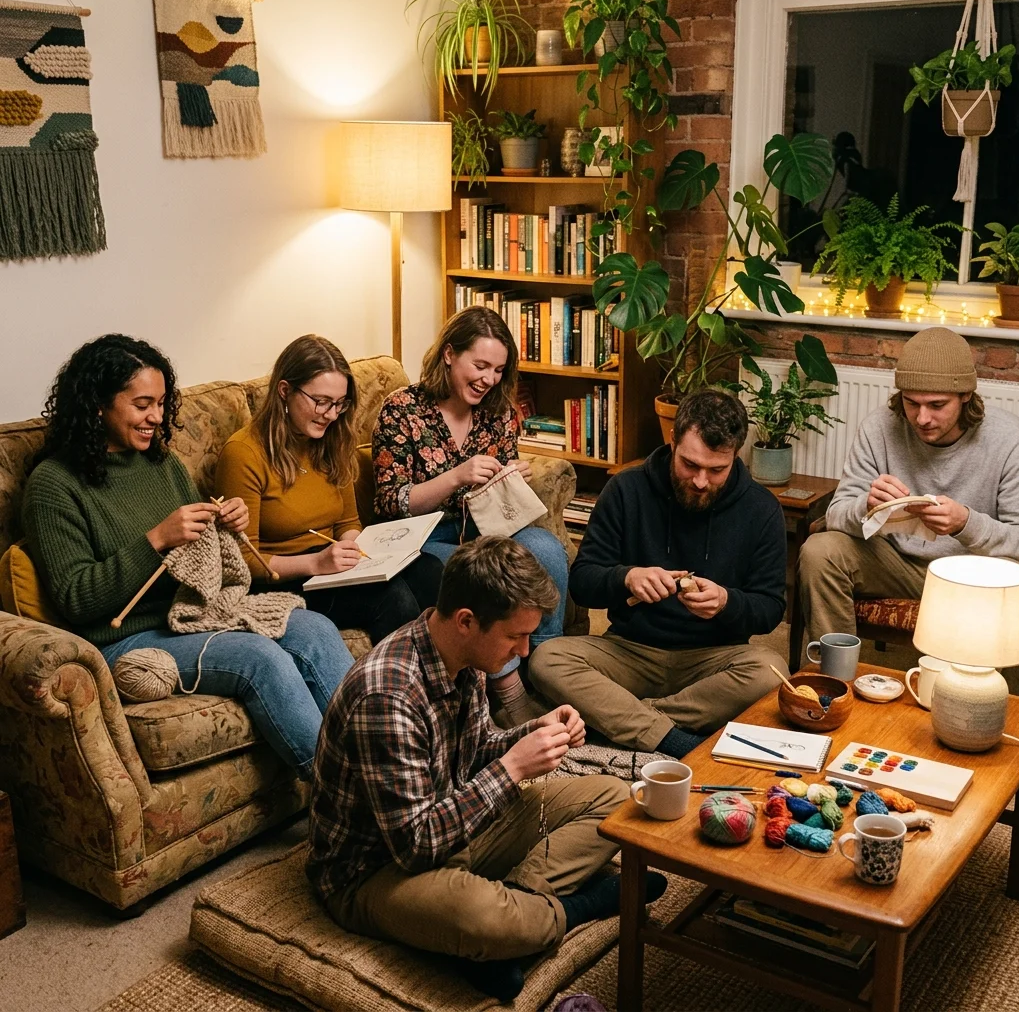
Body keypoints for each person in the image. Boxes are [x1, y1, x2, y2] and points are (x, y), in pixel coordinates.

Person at [306, 536, 666, 1001]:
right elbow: (417, 846)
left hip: (457, 826)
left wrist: (532, 733)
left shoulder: (465, 654)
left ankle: (510, 928)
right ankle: (569, 911)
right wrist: (514, 768)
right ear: (466, 621)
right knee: (482, 917)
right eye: (515, 635)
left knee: (616, 800)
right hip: (375, 869)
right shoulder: (388, 696)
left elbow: (476, 751)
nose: (525, 650)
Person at [22, 334, 354, 780]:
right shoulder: (53, 485)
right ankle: (347, 793)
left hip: (195, 613)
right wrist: (155, 540)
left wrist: (224, 524)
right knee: (260, 657)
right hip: (127, 638)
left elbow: (204, 558)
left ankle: (379, 761)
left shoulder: (162, 464)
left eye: (161, 403)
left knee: (314, 626)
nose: (156, 417)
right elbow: (77, 599)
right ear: (98, 404)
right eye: (142, 404)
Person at [530, 389, 788, 758]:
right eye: (690, 465)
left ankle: (628, 719)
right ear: (673, 441)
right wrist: (626, 577)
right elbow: (584, 582)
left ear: (736, 456)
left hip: (714, 659)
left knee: (770, 671)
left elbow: (770, 608)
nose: (701, 481)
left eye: (716, 470)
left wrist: (727, 602)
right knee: (547, 659)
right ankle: (673, 738)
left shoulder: (761, 509)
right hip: (628, 651)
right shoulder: (626, 489)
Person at [372, 305, 569, 724]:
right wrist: (456, 476)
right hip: (425, 537)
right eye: (479, 365)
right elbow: (391, 501)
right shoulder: (402, 409)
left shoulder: (497, 410)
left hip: (489, 527)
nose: (488, 379)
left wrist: (513, 477)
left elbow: (501, 500)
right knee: (479, 577)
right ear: (449, 354)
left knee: (545, 549)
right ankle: (509, 692)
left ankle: (550, 674)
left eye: (498, 370)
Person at [799, 325, 1019, 642]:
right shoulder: (879, 427)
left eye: (936, 405)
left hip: (971, 574)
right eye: (911, 403)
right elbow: (835, 516)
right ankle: (835, 678)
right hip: (896, 564)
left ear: (966, 396)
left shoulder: (1010, 439)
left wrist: (966, 523)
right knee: (819, 550)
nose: (922, 418)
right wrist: (867, 507)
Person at [215, 335, 442, 644]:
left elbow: (347, 523)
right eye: (321, 402)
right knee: (391, 597)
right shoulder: (244, 453)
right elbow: (243, 561)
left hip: (329, 565)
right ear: (284, 391)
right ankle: (401, 687)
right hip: (282, 579)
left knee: (430, 569)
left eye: (339, 403)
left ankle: (450, 681)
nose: (332, 414)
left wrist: (360, 552)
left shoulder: (333, 439)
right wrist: (316, 563)